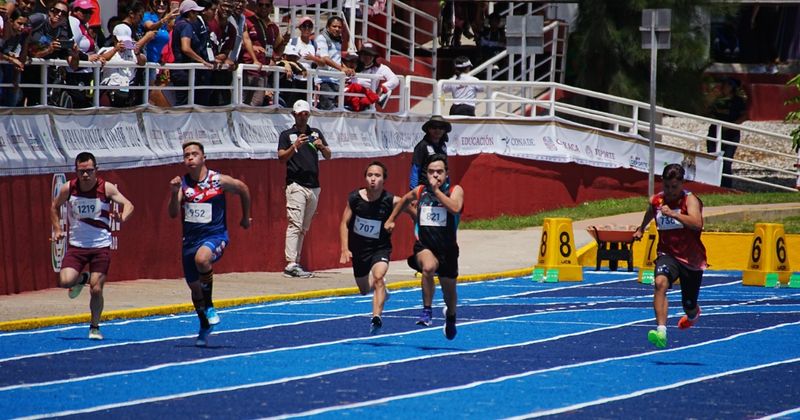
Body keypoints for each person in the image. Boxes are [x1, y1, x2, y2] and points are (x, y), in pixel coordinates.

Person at [168, 141, 252, 347]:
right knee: (195, 289)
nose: (190, 158)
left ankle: (211, 306)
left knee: (202, 259)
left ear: (203, 157)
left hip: (215, 236)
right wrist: (173, 193)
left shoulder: (218, 180)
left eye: (194, 154)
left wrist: (246, 217)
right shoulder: (183, 185)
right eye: (186, 155)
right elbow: (172, 214)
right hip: (190, 241)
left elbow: (243, 188)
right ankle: (204, 325)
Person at [50, 152, 135, 340]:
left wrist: (123, 216)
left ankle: (94, 326)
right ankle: (83, 278)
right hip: (77, 246)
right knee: (64, 281)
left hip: (100, 246)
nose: (85, 175)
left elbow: (128, 204)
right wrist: (57, 229)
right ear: (76, 171)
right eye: (81, 172)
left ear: (96, 170)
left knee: (96, 289)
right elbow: (54, 207)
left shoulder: (106, 188)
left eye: (89, 171)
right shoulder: (69, 188)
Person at [385, 154, 463, 339]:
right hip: (425, 246)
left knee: (449, 293)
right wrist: (391, 219)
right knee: (428, 267)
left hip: (447, 250)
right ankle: (427, 310)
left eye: (439, 172)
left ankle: (451, 317)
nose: (435, 175)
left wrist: (437, 192)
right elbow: (403, 200)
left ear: (446, 173)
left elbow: (455, 208)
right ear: (425, 173)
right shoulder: (420, 191)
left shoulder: (455, 189)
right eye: (431, 172)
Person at [632, 163, 707, 349]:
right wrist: (641, 229)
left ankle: (693, 314)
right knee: (660, 283)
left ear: (682, 184)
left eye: (674, 187)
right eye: (666, 186)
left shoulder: (690, 201)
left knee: (688, 304)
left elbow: (697, 224)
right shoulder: (658, 200)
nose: (670, 191)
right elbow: (651, 211)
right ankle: (661, 331)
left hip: (691, 259)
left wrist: (674, 215)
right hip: (667, 254)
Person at [339, 161, 401, 334]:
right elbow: (344, 223)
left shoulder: (390, 200)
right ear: (365, 178)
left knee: (379, 276)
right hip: (359, 250)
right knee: (364, 290)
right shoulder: (355, 198)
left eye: (377, 175)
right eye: (370, 175)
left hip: (380, 248)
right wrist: (344, 248)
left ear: (384, 179)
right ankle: (382, 292)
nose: (373, 179)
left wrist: (396, 219)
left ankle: (376, 317)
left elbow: (408, 204)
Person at [278, 99, 332, 278]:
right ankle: (290, 263)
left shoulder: (315, 133)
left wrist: (321, 146)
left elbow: (329, 155)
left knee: (303, 226)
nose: (303, 117)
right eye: (300, 114)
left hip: (314, 186)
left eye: (306, 114)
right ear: (294, 115)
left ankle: (296, 263)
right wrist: (295, 146)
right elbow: (281, 157)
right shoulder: (287, 135)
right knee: (295, 223)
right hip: (296, 184)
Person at [706, 77, 747, 188]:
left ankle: (726, 187)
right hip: (714, 132)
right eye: (724, 84)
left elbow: (744, 116)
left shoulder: (738, 101)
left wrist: (731, 125)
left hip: (731, 134)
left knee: (726, 162)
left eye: (728, 84)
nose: (725, 86)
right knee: (712, 159)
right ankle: (712, 185)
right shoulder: (717, 100)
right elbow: (706, 111)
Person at [315, 16, 354, 110]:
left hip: (336, 81)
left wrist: (346, 68)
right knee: (328, 110)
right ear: (328, 27)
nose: (337, 29)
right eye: (334, 26)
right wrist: (342, 69)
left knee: (337, 110)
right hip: (325, 81)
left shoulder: (338, 40)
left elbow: (336, 59)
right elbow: (325, 58)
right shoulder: (321, 38)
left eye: (340, 27)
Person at [409, 115, 451, 190]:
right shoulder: (422, 146)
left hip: (441, 189)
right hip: (425, 189)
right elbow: (415, 170)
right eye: (434, 127)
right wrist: (414, 191)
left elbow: (445, 169)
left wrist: (447, 186)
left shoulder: (443, 146)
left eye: (441, 128)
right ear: (428, 129)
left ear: (444, 130)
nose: (437, 130)